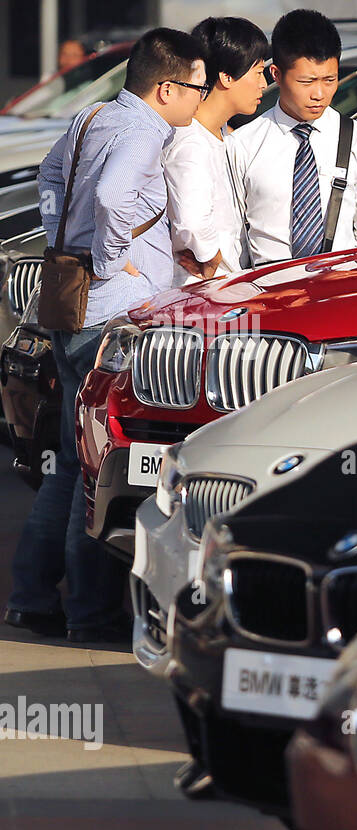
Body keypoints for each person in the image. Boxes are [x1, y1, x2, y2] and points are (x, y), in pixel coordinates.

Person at [4, 28, 206, 644]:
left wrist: (68, 244)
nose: (201, 98)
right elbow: (117, 196)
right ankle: (90, 613)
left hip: (71, 310)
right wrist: (115, 257)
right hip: (113, 313)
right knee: (97, 468)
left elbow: (48, 175)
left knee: (71, 463)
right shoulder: (148, 132)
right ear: (166, 87)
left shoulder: (93, 115)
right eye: (197, 87)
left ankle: (32, 598)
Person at [226, 9, 357, 267]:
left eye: (330, 80)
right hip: (269, 294)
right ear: (276, 75)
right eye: (307, 81)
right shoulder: (243, 144)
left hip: (341, 293)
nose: (319, 94)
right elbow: (233, 240)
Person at [165, 17, 268, 286]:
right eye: (258, 72)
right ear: (226, 76)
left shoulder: (219, 133)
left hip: (221, 288)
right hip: (198, 294)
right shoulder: (191, 141)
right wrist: (212, 259)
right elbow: (192, 222)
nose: (263, 84)